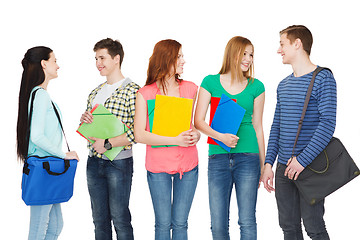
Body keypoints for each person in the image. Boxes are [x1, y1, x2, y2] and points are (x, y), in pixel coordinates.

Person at [262, 25, 336, 240]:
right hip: (284, 168)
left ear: (297, 44)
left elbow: (327, 124)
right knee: (288, 227)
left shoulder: (323, 79)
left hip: (310, 167)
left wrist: (302, 161)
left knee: (314, 226)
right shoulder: (283, 85)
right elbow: (277, 126)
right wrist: (269, 164)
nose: (279, 50)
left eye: (282, 44)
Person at [194, 36, 265, 240]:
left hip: (248, 157)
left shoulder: (256, 86)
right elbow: (199, 121)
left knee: (247, 221)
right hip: (218, 157)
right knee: (218, 224)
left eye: (251, 54)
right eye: (244, 53)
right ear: (232, 54)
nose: (249, 59)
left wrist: (263, 163)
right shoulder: (210, 82)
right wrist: (220, 137)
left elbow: (258, 126)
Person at [133, 39, 200, 240]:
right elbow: (139, 134)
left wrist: (196, 134)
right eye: (179, 56)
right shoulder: (145, 93)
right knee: (162, 224)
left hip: (187, 166)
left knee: (180, 224)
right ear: (166, 59)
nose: (183, 61)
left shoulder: (191, 89)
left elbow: (195, 124)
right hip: (158, 167)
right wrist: (175, 140)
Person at [16, 46, 79, 240]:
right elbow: (37, 136)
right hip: (44, 169)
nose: (58, 66)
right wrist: (64, 155)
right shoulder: (40, 95)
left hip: (47, 171)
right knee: (39, 227)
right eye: (54, 61)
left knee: (55, 225)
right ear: (44, 64)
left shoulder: (38, 94)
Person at [80, 38, 140, 240]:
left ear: (117, 59)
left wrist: (107, 144)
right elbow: (90, 126)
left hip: (119, 163)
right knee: (99, 220)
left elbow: (138, 131)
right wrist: (85, 120)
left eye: (102, 58)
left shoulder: (133, 91)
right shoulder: (95, 92)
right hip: (93, 162)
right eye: (96, 58)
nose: (98, 63)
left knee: (120, 218)